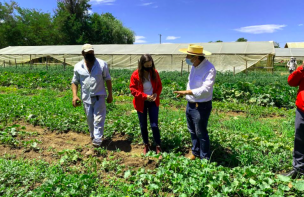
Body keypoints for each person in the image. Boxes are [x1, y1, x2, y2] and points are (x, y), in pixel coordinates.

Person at [174, 44, 216, 160]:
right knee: (192, 130)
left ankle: (204, 158)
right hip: (190, 104)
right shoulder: (194, 66)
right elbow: (191, 83)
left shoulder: (209, 69)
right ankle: (195, 152)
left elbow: (206, 89)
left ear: (196, 57)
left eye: (188, 56)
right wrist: (186, 94)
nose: (187, 58)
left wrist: (187, 92)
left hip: (201, 106)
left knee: (201, 132)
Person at [71, 44, 113, 147]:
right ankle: (93, 136)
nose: (90, 54)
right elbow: (74, 82)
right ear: (83, 54)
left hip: (100, 96)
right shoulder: (78, 66)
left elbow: (108, 79)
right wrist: (75, 96)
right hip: (86, 98)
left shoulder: (102, 64)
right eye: (88, 53)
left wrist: (110, 94)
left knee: (99, 118)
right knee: (90, 119)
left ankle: (98, 139)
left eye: (92, 52)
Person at [129, 54, 163, 157]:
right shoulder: (135, 75)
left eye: (150, 65)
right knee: (143, 125)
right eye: (146, 65)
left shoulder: (154, 73)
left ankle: (158, 145)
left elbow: (159, 86)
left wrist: (156, 94)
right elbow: (133, 90)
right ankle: (146, 144)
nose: (148, 67)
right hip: (141, 102)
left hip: (153, 101)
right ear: (141, 64)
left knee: (154, 125)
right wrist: (144, 96)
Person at [285, 62, 304, 178]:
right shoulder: (302, 69)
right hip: (302, 109)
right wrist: (301, 70)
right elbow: (291, 82)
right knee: (300, 139)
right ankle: (298, 169)